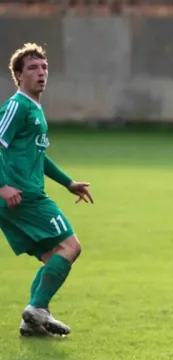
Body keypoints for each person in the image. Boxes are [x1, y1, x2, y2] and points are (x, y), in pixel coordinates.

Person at [0, 43, 94, 337]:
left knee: (53, 255)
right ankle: (38, 308)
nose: (41, 73)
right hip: (23, 194)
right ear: (18, 75)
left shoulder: (35, 109)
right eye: (32, 68)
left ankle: (33, 320)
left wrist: (68, 183)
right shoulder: (17, 105)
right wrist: (3, 185)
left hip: (23, 193)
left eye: (44, 68)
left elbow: (39, 156)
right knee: (70, 247)